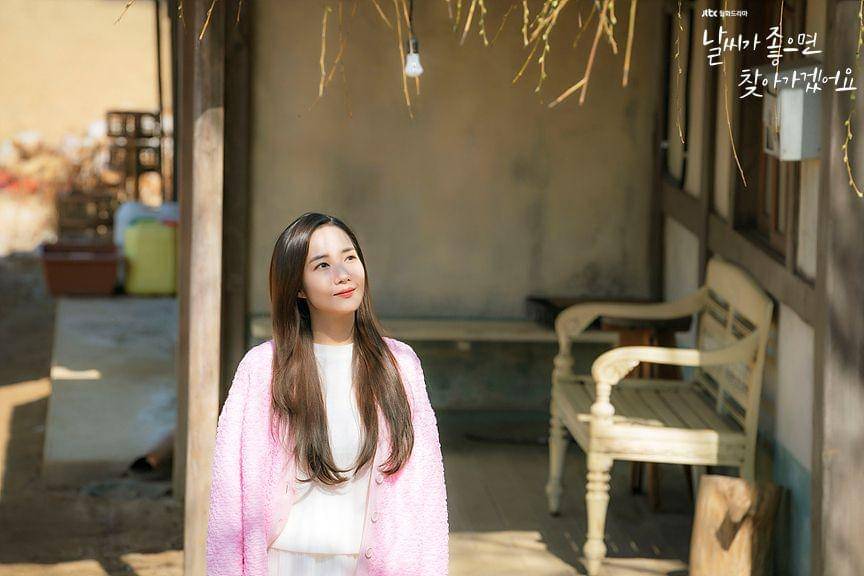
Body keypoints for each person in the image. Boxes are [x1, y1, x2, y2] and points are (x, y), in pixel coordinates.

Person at [206, 212, 449, 576]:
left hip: (370, 565)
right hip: (283, 562)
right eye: (322, 265)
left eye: (349, 257)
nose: (343, 274)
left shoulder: (400, 365)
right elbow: (230, 490)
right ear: (298, 287)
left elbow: (425, 489)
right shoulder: (263, 369)